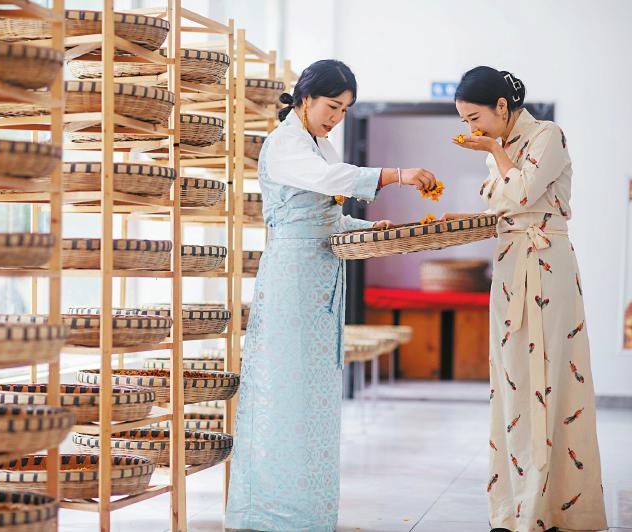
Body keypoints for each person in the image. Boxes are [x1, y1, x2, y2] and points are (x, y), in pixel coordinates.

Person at [224, 59, 437, 531]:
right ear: (305, 98)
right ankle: (269, 511)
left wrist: (367, 227)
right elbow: (329, 182)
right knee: (285, 388)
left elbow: (326, 215)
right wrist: (397, 174)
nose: (336, 118)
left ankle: (309, 510)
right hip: (291, 275)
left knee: (316, 395)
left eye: (344, 110)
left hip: (321, 275)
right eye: (331, 106)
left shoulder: (320, 144)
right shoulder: (284, 144)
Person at [445, 66, 607, 532]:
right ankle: (513, 507)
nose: (471, 129)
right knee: (511, 379)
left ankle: (554, 508)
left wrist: (496, 154)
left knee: (552, 376)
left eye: (475, 118)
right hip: (510, 263)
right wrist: (472, 210)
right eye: (464, 121)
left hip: (547, 262)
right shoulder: (498, 146)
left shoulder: (547, 135)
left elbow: (518, 193)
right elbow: (498, 202)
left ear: (502, 106)